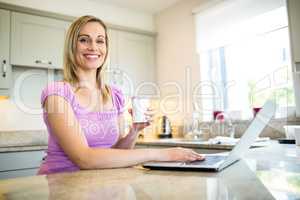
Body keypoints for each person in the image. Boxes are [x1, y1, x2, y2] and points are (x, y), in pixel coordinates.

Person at [38, 15, 204, 175]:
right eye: (83, 40)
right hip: (62, 184)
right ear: (71, 46)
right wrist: (162, 154)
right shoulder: (57, 94)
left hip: (100, 184)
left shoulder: (114, 95)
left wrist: (133, 131)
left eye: (100, 41)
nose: (93, 47)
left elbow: (116, 154)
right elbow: (84, 158)